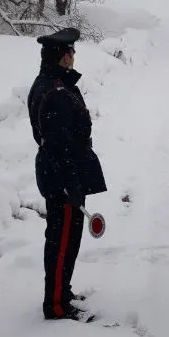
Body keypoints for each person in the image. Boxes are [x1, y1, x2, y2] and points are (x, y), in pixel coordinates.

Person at [27, 27, 107, 320]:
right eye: (70, 51)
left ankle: (62, 291)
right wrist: (71, 185)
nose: (74, 55)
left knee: (65, 239)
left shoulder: (52, 83)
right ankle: (57, 305)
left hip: (61, 175)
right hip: (62, 177)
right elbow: (59, 147)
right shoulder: (55, 92)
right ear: (61, 57)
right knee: (62, 243)